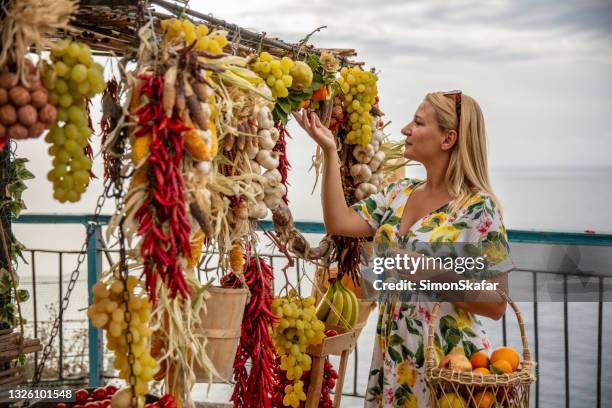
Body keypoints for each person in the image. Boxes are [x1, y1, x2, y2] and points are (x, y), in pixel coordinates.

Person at [293, 91, 514, 407]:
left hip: (449, 368)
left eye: (418, 123)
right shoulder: (398, 192)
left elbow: (496, 303)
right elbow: (339, 221)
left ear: (448, 139)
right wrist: (329, 151)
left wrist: (427, 272)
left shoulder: (479, 208)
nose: (405, 129)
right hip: (393, 361)